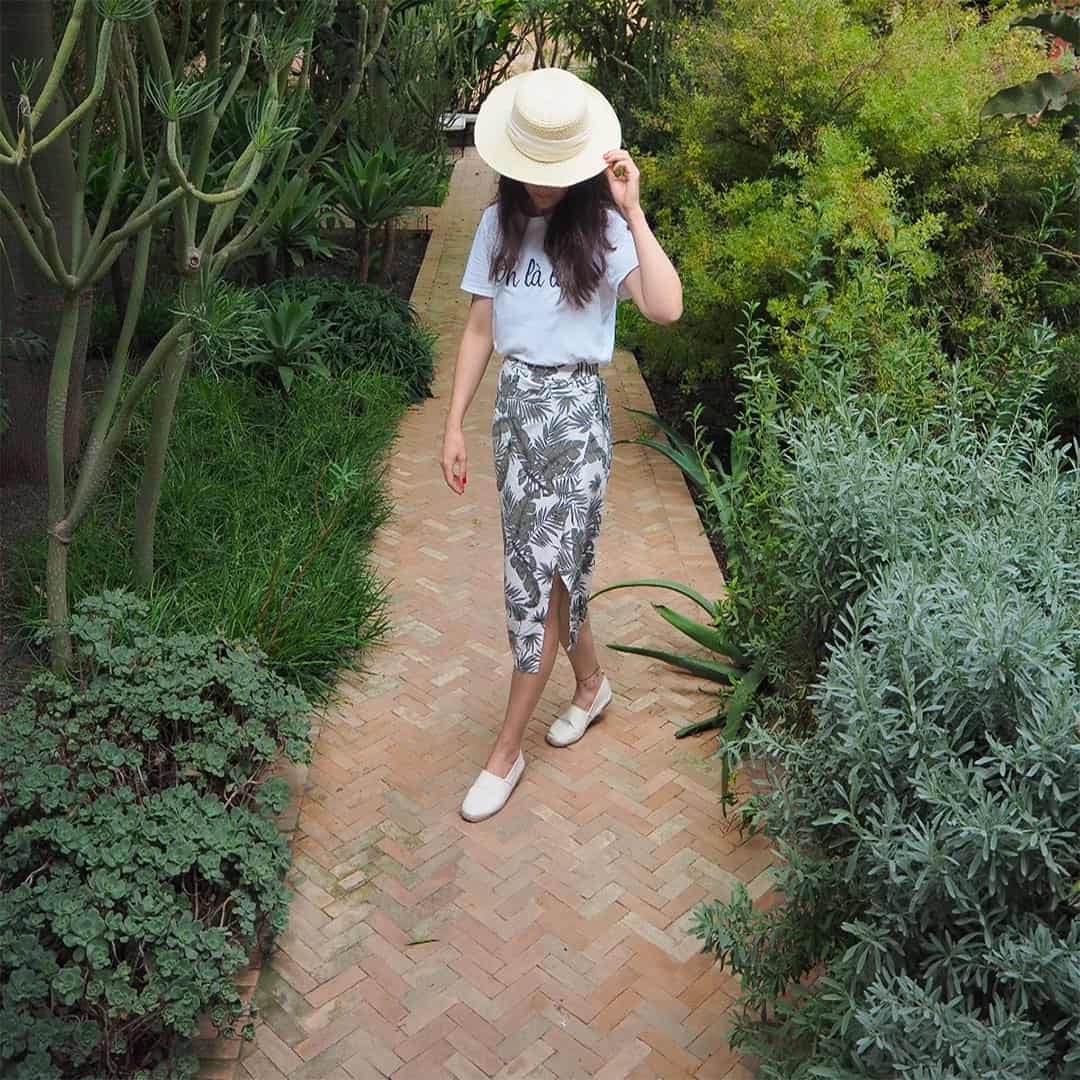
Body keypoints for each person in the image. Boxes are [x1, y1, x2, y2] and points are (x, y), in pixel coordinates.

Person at [439, 66, 682, 822]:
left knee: (537, 578)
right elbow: (480, 329)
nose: (543, 187)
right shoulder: (496, 226)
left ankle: (505, 752)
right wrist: (453, 422)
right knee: (551, 571)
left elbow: (665, 307)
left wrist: (634, 211)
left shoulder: (604, 229)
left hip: (575, 416)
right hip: (515, 413)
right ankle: (591, 685)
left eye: (557, 173)